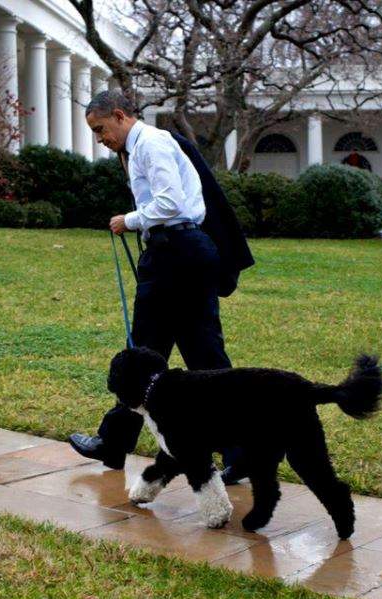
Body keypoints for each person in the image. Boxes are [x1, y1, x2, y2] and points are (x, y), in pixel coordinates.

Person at [69, 90, 250, 484]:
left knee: (159, 355)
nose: (100, 139)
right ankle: (238, 451)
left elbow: (169, 203)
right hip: (179, 254)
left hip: (176, 253)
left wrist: (128, 220)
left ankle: (114, 443)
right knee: (184, 355)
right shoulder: (145, 147)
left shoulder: (150, 146)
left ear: (119, 116)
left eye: (101, 129)